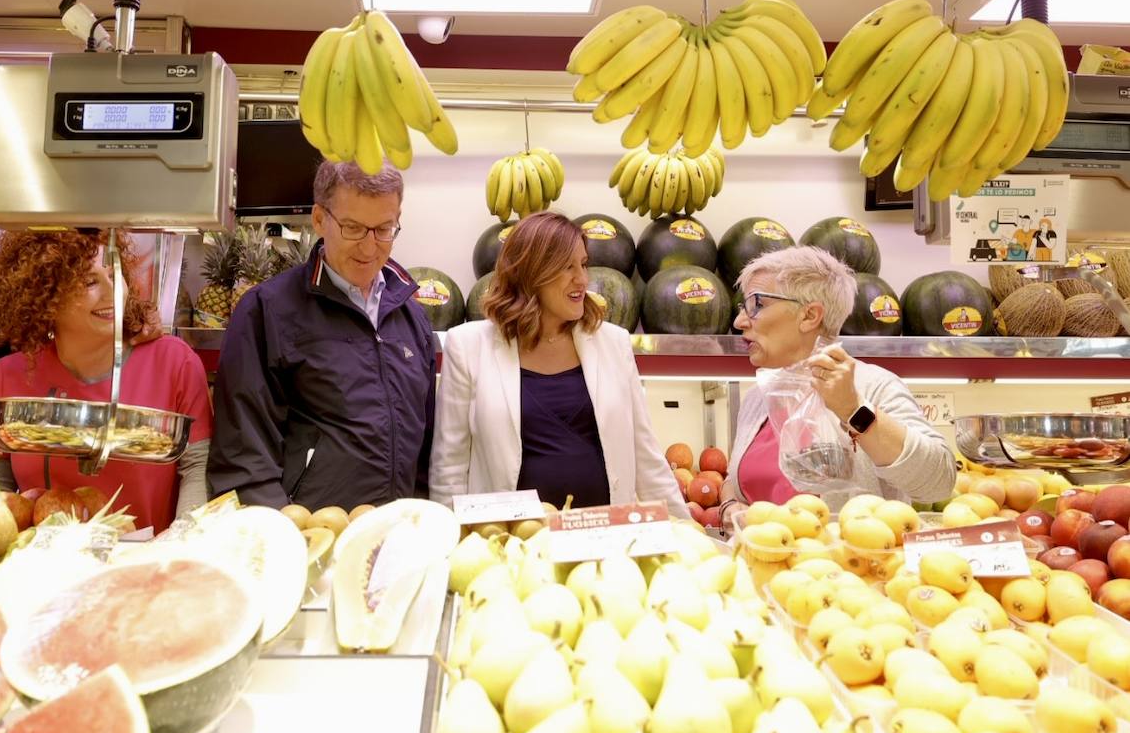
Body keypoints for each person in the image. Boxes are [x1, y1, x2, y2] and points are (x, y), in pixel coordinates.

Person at [205, 161, 436, 509]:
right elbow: (243, 457)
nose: (370, 247)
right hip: (305, 535)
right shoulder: (266, 310)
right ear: (318, 219)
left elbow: (424, 448)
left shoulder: (412, 316)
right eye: (353, 228)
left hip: (393, 537)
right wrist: (282, 538)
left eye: (384, 228)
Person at [431, 212, 686, 515]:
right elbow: (450, 468)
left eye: (583, 264)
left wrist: (687, 534)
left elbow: (647, 459)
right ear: (531, 272)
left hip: (605, 541)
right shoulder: (469, 347)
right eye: (567, 267)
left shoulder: (613, 343)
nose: (583, 279)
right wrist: (453, 549)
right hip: (511, 547)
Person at [0, 230, 211, 533]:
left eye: (114, 274)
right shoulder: (10, 373)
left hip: (147, 563)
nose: (112, 293)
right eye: (90, 281)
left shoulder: (175, 362)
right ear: (45, 296)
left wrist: (183, 541)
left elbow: (198, 467)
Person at [721, 246, 954, 512]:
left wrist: (853, 409)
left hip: (846, 553)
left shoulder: (874, 386)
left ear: (809, 316)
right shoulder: (758, 396)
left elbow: (938, 482)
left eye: (756, 305)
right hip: (766, 551)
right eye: (743, 307)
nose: (740, 321)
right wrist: (729, 506)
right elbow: (735, 478)